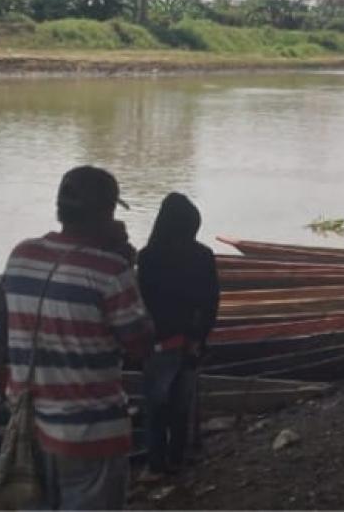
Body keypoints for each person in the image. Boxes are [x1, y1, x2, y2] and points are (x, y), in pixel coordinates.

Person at [3, 165, 153, 510]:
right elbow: (141, 345)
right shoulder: (111, 272)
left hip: (28, 430)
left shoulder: (21, 256)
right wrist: (126, 261)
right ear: (109, 213)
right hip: (90, 435)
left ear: (61, 208)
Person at [137, 193, 220, 479]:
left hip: (159, 343)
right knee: (181, 406)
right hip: (191, 341)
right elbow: (211, 303)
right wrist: (199, 337)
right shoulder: (203, 256)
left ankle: (156, 464)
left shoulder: (147, 257)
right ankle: (178, 457)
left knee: (156, 407)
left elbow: (142, 303)